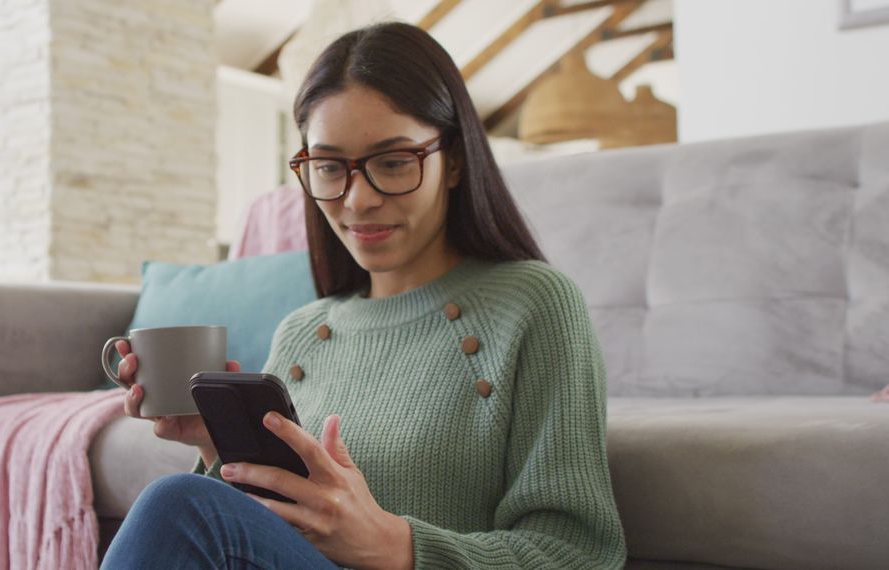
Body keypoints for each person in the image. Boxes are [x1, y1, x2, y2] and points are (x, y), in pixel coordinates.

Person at [101, 22, 627, 569]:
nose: (357, 200)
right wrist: (216, 448)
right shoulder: (304, 331)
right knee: (187, 502)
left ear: (454, 160)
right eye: (330, 167)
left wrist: (396, 546)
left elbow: (579, 554)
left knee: (179, 505)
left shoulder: (534, 305)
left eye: (394, 162)